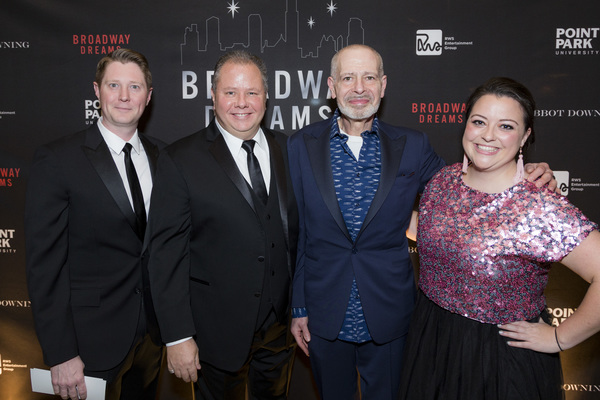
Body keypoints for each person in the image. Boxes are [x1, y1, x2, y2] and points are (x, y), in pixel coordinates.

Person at [287, 45, 556, 399]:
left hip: (390, 313)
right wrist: (300, 307)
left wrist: (523, 171)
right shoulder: (299, 145)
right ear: (331, 86)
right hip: (324, 311)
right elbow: (299, 233)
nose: (359, 88)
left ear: (383, 86)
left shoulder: (412, 145)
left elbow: (465, 186)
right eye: (348, 78)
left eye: (369, 77)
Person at [398, 77, 600, 399]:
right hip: (430, 340)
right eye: (479, 122)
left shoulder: (537, 205)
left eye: (505, 126)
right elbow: (434, 232)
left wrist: (559, 338)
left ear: (525, 136)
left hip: (498, 360)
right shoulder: (442, 180)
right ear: (466, 124)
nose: (488, 135)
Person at [147, 50, 298, 399]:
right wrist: (178, 336)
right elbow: (165, 255)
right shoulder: (180, 159)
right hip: (214, 333)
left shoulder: (290, 151)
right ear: (213, 96)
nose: (241, 103)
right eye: (230, 92)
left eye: (252, 92)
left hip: (280, 332)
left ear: (267, 97)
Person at [25, 48, 165, 400]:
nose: (123, 96)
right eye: (113, 85)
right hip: (88, 347)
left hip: (151, 340)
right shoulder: (59, 160)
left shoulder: (165, 157)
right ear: (96, 90)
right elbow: (45, 266)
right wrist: (61, 353)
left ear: (148, 97)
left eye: (134, 87)